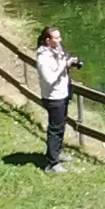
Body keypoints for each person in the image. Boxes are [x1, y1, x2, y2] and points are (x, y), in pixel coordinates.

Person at [36, 26, 81, 172]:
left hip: (62, 94)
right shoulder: (43, 58)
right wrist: (63, 65)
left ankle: (56, 153)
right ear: (48, 40)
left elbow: (61, 65)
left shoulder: (55, 50)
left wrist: (69, 62)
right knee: (55, 129)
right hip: (53, 97)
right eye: (56, 38)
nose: (60, 40)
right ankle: (51, 164)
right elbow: (49, 79)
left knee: (60, 126)